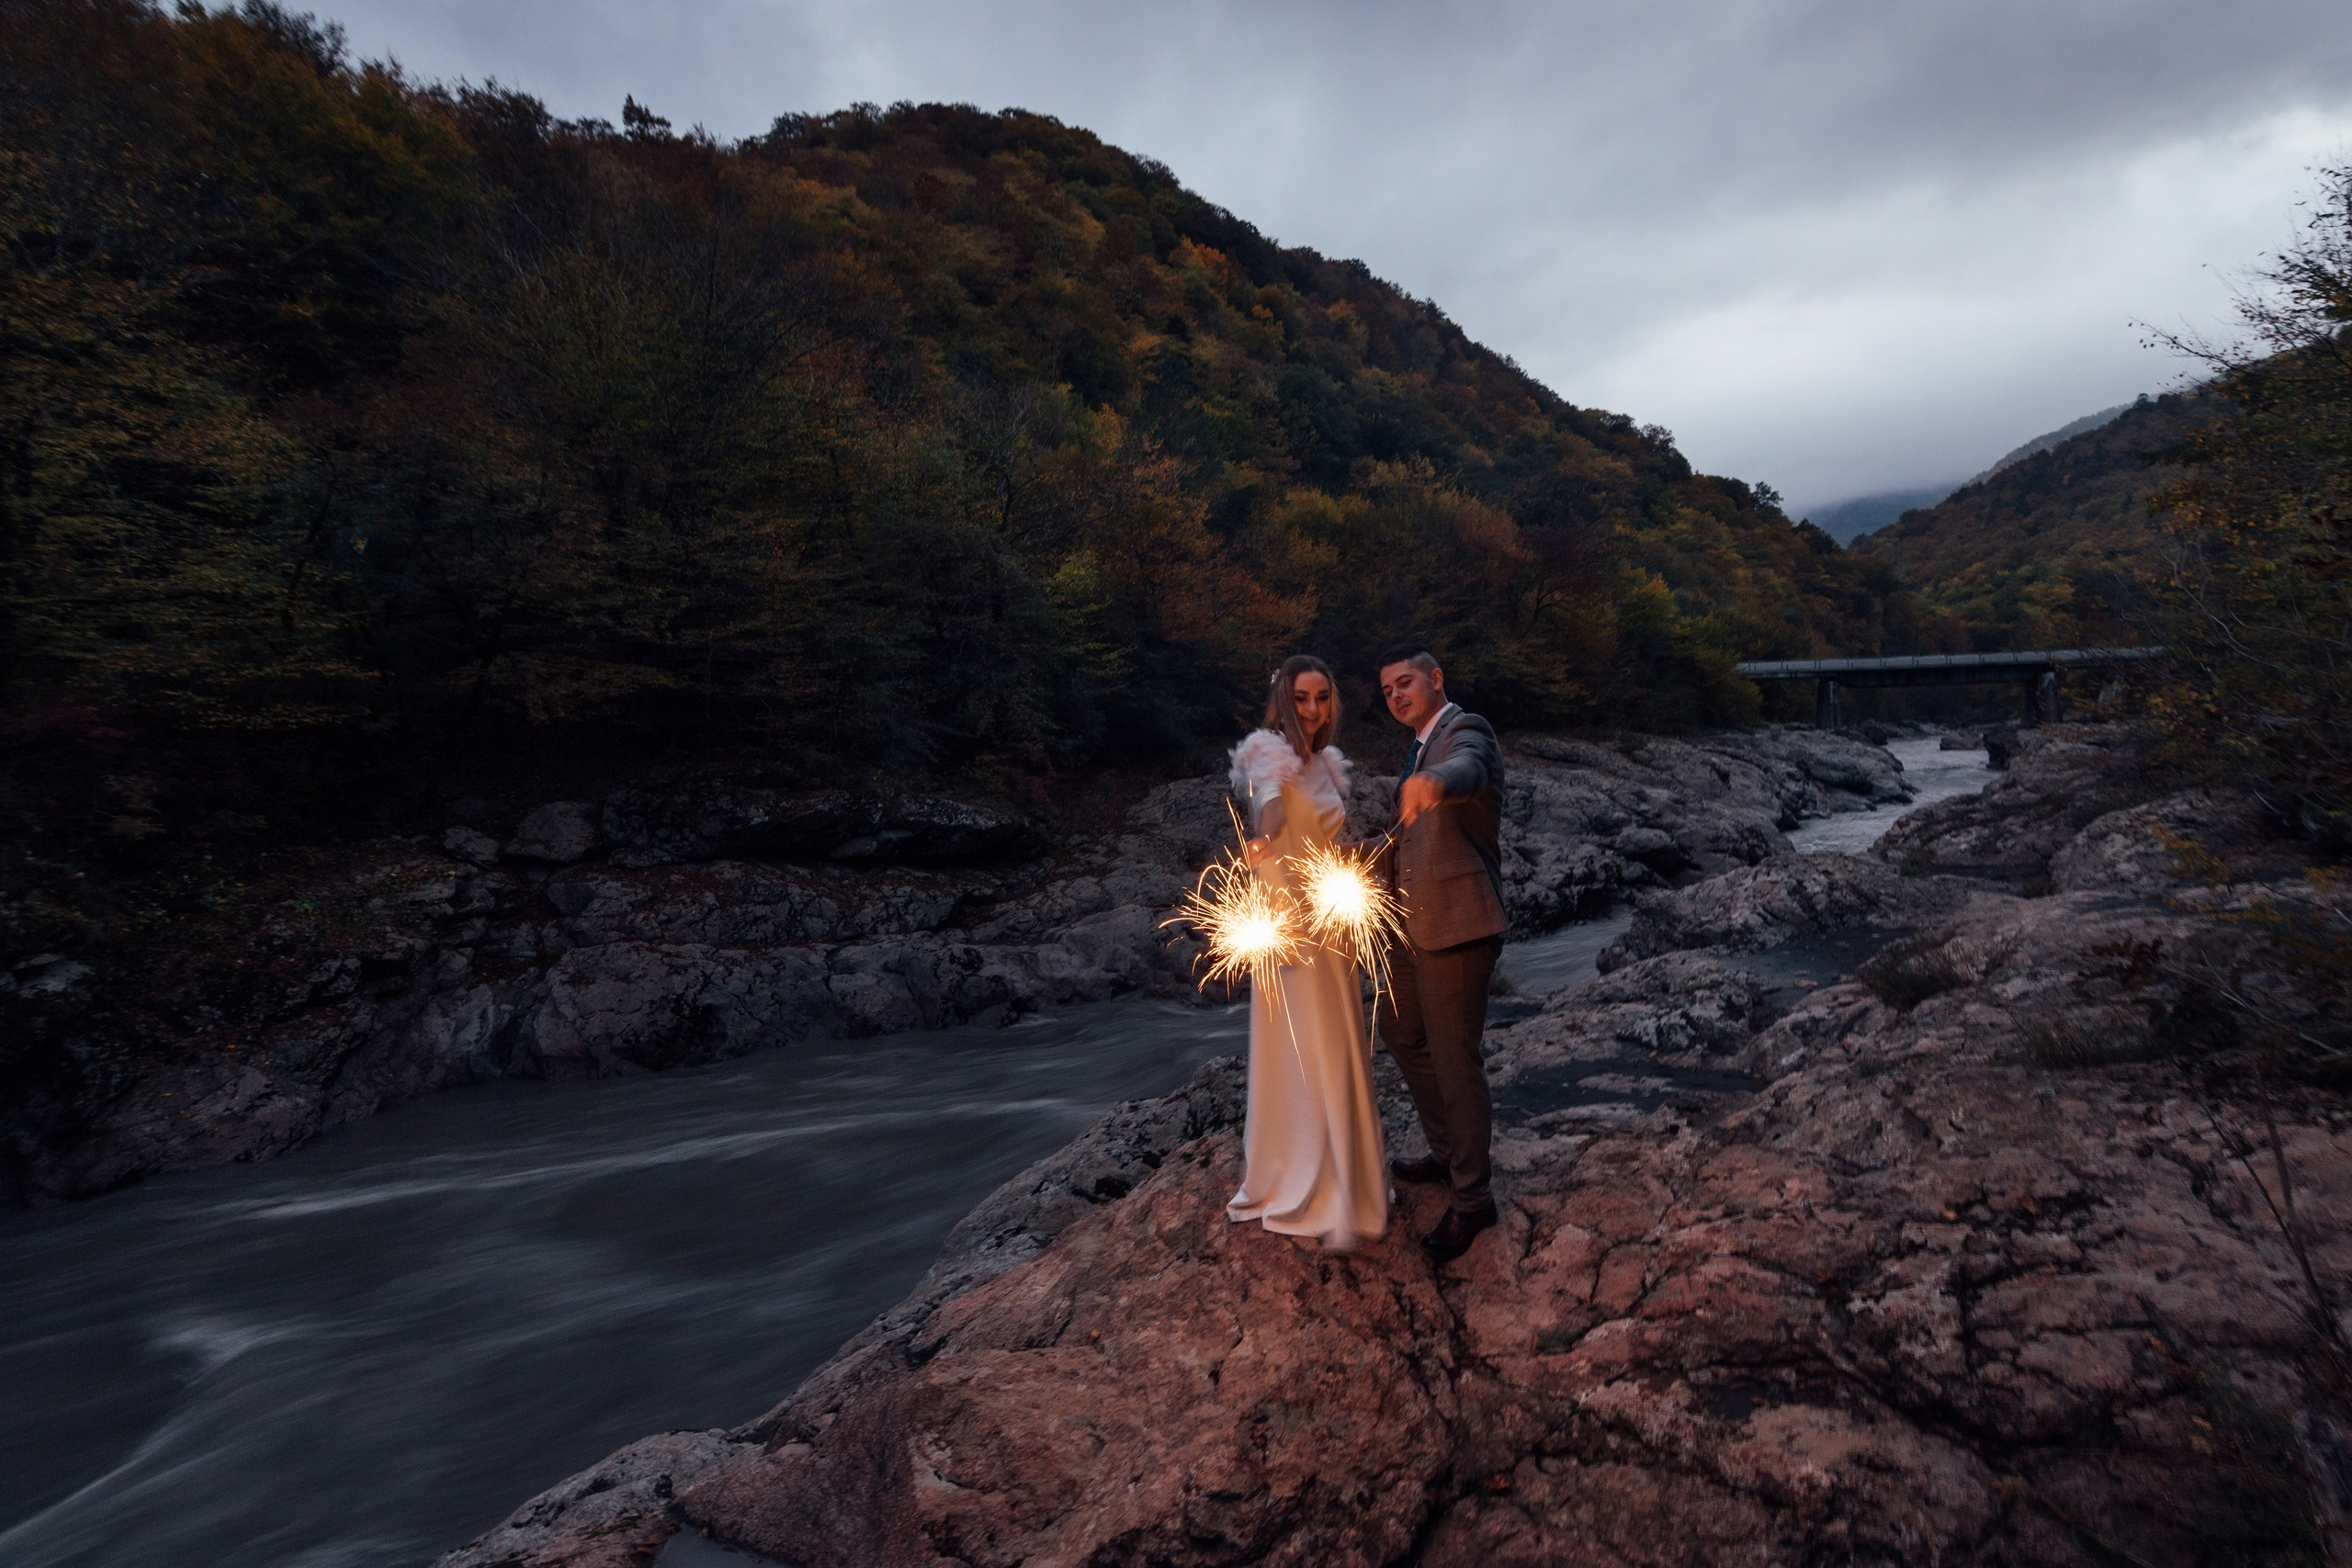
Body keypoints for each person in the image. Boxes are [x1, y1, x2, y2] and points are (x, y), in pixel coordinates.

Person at [1223, 655, 1388, 1250]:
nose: (1313, 708)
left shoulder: (1329, 765)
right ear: (1283, 700)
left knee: (1337, 1039)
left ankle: (1349, 1176)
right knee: (1302, 1041)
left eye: (1322, 696)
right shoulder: (1268, 754)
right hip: (1288, 916)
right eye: (1302, 697)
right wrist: (1263, 836)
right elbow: (1268, 805)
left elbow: (1330, 838)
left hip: (1329, 916)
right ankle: (1301, 1177)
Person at [1375, 645, 1506, 1263]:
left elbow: (1471, 769)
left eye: (1407, 683)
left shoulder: (1462, 732)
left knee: (1456, 1062)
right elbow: (1402, 842)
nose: (1398, 695)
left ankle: (1473, 1200)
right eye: (1388, 690)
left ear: (1436, 678)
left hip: (1458, 923)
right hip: (1408, 923)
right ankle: (1450, 1150)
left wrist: (1435, 780)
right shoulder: (1415, 749)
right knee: (1399, 1030)